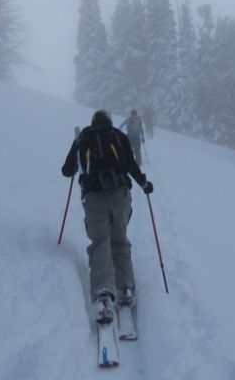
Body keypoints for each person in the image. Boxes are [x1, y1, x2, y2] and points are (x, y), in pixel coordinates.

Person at [62, 110, 154, 324]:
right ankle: (125, 289)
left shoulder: (82, 138)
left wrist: (78, 158)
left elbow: (67, 171)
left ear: (93, 122)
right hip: (120, 196)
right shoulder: (117, 136)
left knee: (100, 244)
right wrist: (144, 184)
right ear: (110, 122)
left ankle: (102, 294)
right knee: (119, 240)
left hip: (94, 200)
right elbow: (131, 165)